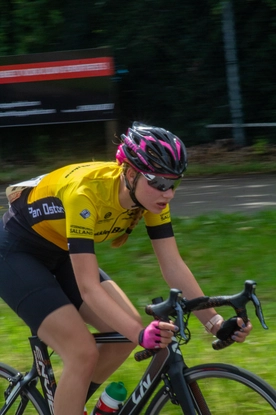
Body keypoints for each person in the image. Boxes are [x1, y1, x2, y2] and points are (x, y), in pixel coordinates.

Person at [0, 122, 252, 415]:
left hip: (60, 250)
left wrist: (216, 323)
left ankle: (69, 405)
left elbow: (172, 264)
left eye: (174, 183)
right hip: (16, 253)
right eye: (158, 182)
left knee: (121, 337)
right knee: (82, 352)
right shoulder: (86, 194)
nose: (167, 192)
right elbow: (88, 288)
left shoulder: (150, 197)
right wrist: (140, 333)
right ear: (131, 174)